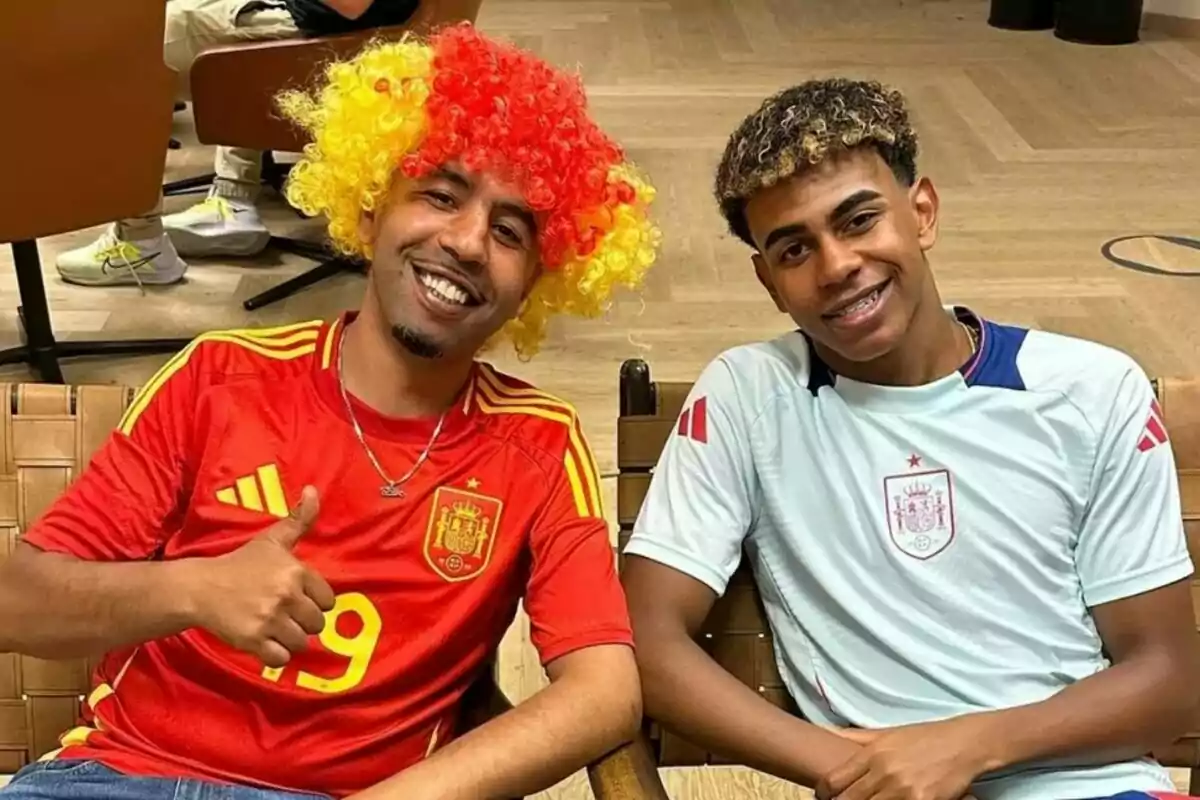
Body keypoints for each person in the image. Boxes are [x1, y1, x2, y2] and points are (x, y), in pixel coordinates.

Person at [0, 23, 661, 800]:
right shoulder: (221, 375)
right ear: (371, 211)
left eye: (510, 231)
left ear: (534, 287)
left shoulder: (537, 445)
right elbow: (16, 604)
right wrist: (194, 590)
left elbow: (606, 690)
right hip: (121, 779)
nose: (469, 242)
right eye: (440, 195)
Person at [619, 77, 1200, 800]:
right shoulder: (748, 398)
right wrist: (848, 769)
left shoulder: (1090, 389)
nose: (836, 266)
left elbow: (1170, 680)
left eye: (859, 220)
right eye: (794, 250)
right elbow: (642, 637)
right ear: (767, 281)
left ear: (921, 212)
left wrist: (963, 748)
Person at [54, 0, 422, 287]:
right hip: (355, 25)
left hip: (336, 34)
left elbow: (351, 5)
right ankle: (232, 200)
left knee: (128, 41)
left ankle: (140, 242)